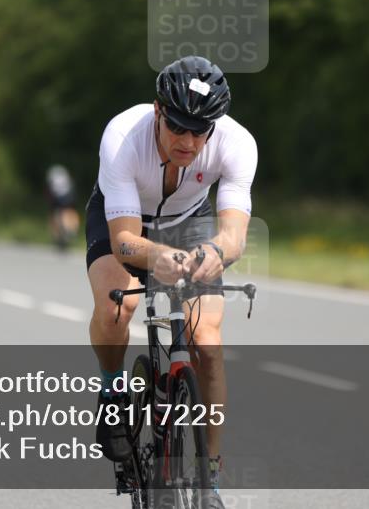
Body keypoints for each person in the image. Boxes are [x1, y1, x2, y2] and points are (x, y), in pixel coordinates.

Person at [85, 56, 257, 506]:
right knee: (115, 306)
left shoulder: (237, 143)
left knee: (207, 342)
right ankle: (112, 392)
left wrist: (215, 253)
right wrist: (157, 255)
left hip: (189, 220)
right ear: (158, 111)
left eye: (200, 131)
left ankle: (211, 481)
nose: (188, 141)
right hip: (124, 219)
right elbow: (123, 241)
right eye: (178, 127)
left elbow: (235, 233)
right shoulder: (124, 137)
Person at [46, 164, 78, 250]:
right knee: (70, 211)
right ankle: (71, 228)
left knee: (54, 214)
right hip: (69, 196)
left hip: (57, 197)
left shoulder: (52, 175)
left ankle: (57, 234)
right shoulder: (65, 176)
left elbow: (49, 190)